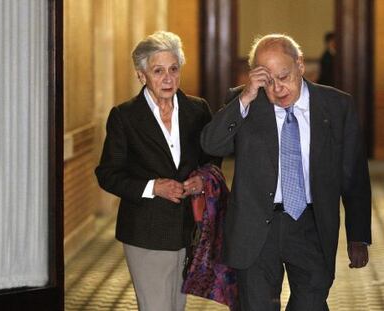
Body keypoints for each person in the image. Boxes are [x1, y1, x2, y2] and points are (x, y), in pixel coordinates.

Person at [201, 33, 371, 310]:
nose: (278, 88)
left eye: (284, 76)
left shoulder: (337, 105)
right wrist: (245, 97)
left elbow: (353, 175)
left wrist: (358, 235)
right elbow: (211, 144)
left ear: (300, 65)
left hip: (311, 226)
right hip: (256, 229)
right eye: (268, 81)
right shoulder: (245, 102)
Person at [95, 30, 218, 311]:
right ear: (141, 75)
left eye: (173, 69)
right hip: (146, 232)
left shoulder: (197, 110)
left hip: (188, 230)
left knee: (176, 306)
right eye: (158, 70)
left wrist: (202, 179)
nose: (168, 78)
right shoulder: (125, 117)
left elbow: (211, 157)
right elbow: (107, 173)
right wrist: (153, 187)